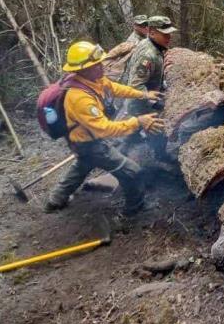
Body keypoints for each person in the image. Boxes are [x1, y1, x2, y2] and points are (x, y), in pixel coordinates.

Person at [45, 41, 166, 215]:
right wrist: (138, 122)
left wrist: (143, 94)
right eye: (95, 65)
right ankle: (133, 210)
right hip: (90, 144)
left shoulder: (93, 79)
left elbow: (114, 88)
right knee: (132, 172)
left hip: (84, 141)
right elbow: (104, 129)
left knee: (82, 166)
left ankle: (55, 200)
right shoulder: (79, 98)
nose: (101, 66)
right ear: (83, 69)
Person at [122, 16, 177, 158]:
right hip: (140, 104)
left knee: (132, 134)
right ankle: (160, 158)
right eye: (165, 34)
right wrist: (154, 102)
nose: (169, 37)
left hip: (141, 102)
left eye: (169, 33)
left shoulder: (153, 46)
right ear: (152, 32)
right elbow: (136, 85)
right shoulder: (148, 54)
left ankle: (122, 151)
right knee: (159, 128)